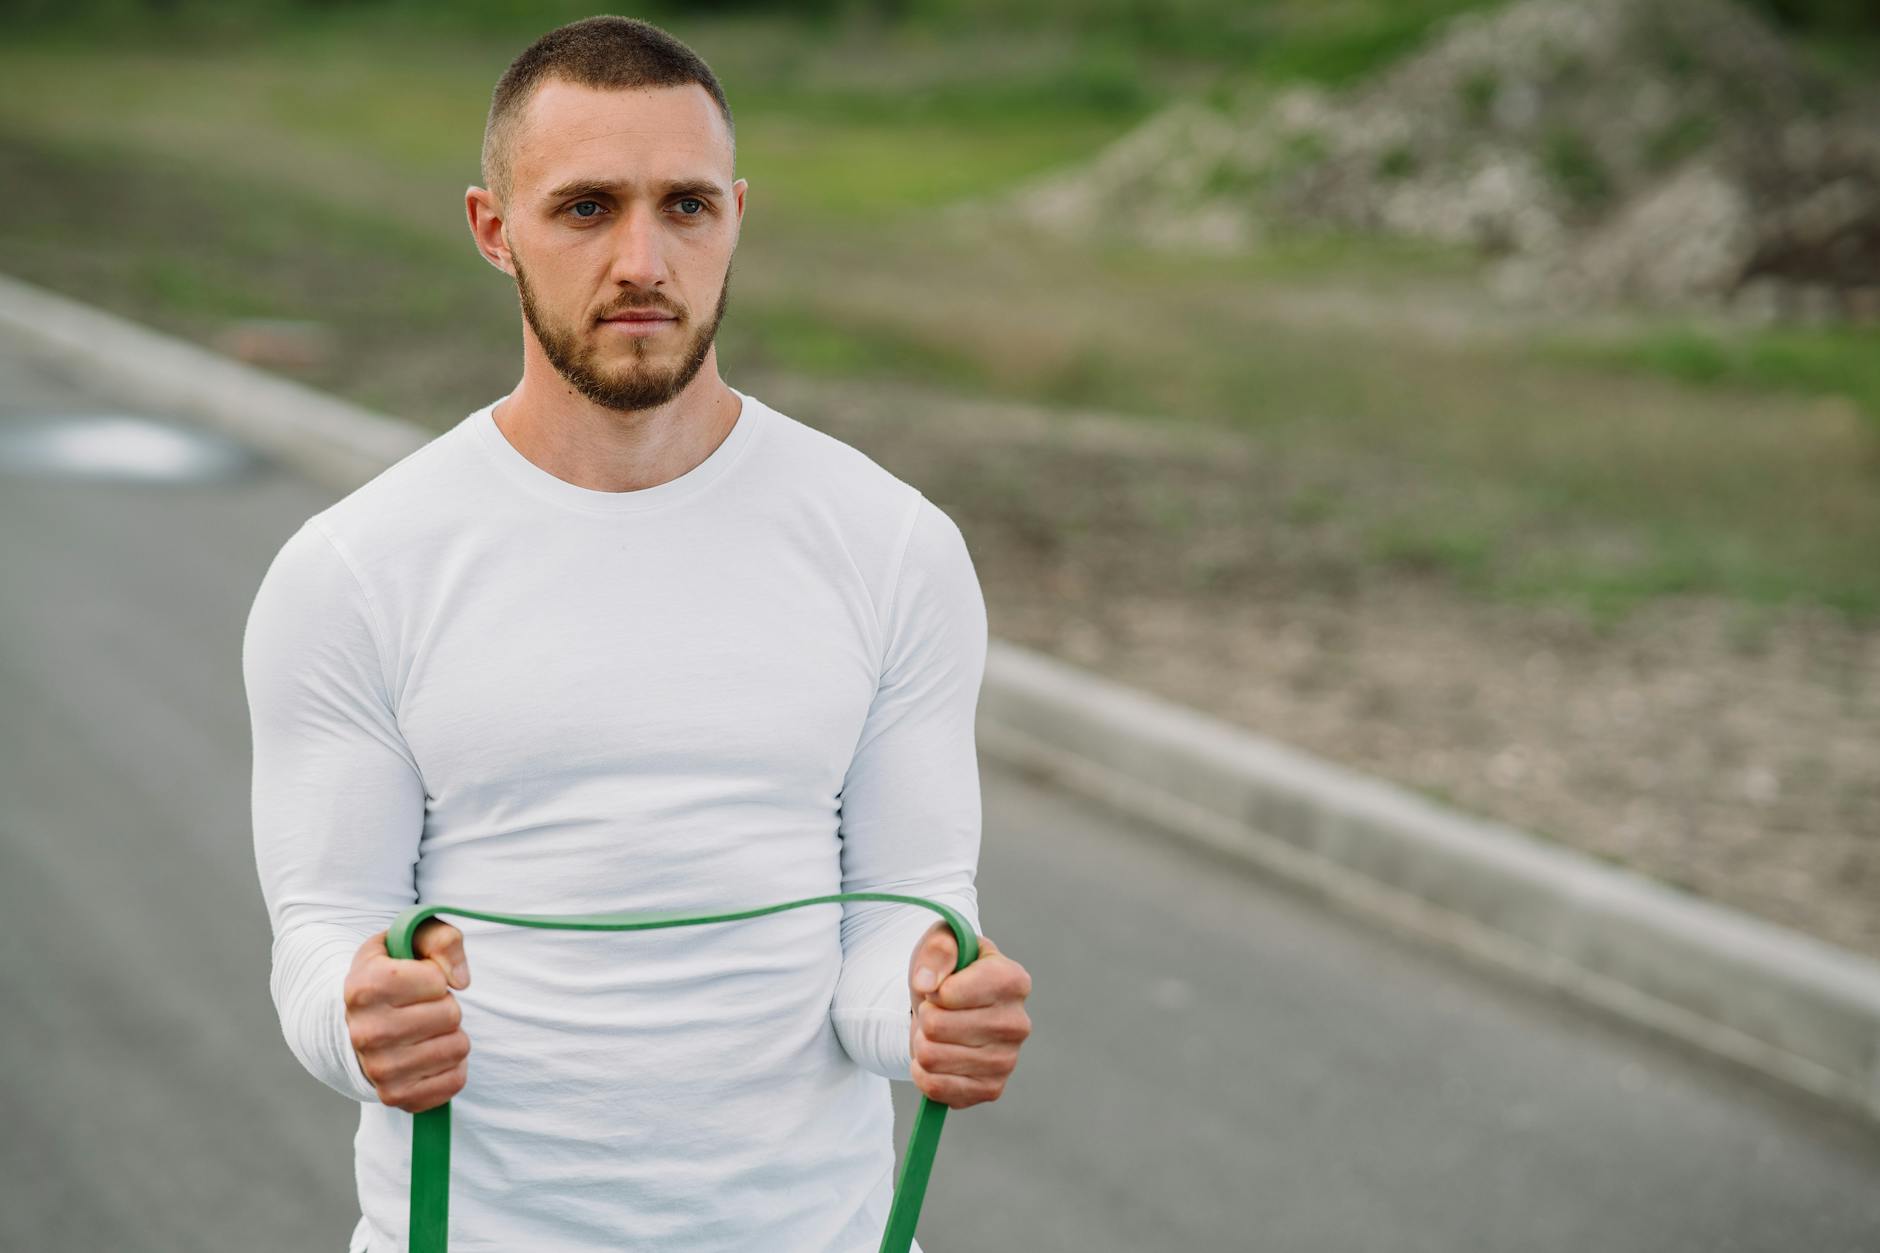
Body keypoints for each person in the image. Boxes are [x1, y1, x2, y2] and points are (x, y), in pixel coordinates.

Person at [241, 15, 1033, 1252]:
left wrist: (932, 1007)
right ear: (492, 229)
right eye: (586, 207)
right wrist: (362, 1018)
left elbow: (895, 922)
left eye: (686, 206)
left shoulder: (892, 544)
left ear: (736, 219)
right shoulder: (353, 570)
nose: (642, 257)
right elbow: (322, 935)